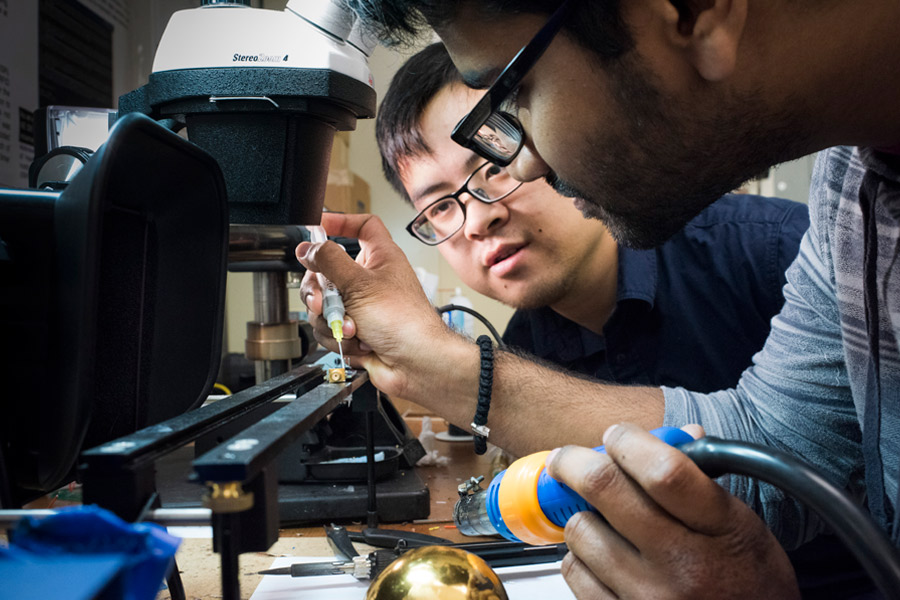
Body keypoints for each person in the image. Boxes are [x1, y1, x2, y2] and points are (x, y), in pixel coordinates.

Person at [296, 1, 900, 597]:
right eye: (442, 207)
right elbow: (772, 449)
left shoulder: (771, 247)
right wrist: (435, 364)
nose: (527, 163)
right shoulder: (852, 192)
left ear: (692, 11)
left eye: (518, 97)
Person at [378, 42, 810, 396]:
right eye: (440, 206)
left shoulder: (779, 255)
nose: (477, 220)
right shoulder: (524, 354)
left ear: (548, 132)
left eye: (494, 165)